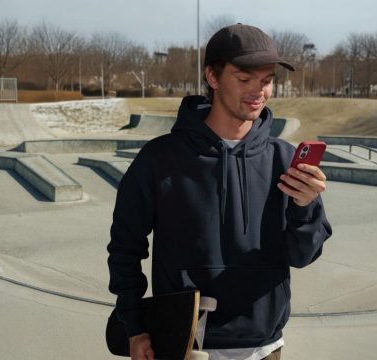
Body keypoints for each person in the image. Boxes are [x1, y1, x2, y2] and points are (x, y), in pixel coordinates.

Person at [108, 23, 332, 360]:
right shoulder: (160, 159)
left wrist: (304, 207)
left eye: (267, 80)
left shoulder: (284, 160)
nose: (258, 91)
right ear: (213, 77)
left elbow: (303, 256)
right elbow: (125, 247)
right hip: (187, 344)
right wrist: (134, 327)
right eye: (245, 79)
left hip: (264, 346)